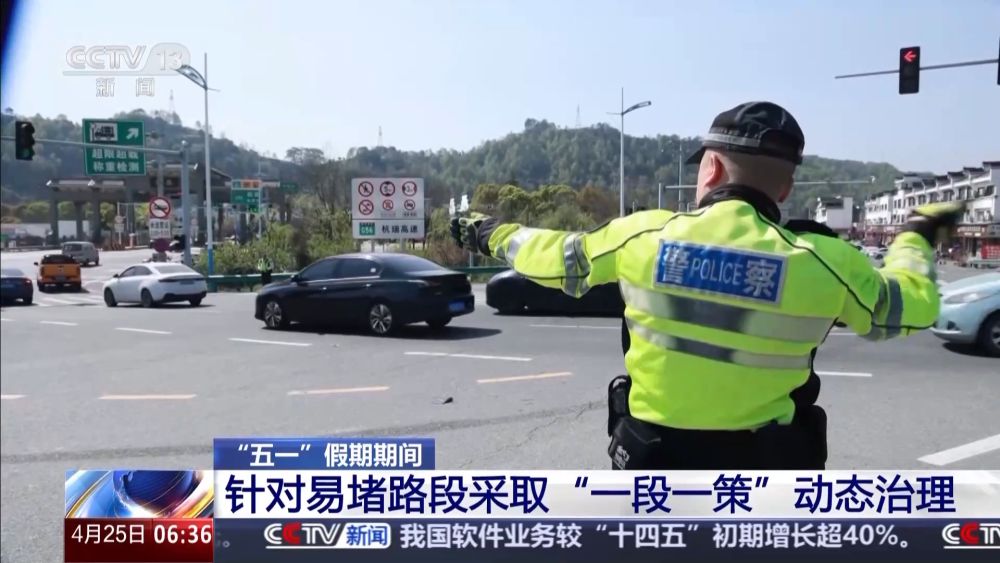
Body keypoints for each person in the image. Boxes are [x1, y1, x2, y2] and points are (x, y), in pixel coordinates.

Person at [451, 101, 964, 470]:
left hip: (655, 468)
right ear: (786, 186)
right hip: (766, 477)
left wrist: (488, 231)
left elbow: (557, 258)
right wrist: (916, 236)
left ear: (712, 167)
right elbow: (909, 306)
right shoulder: (826, 262)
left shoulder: (645, 236)